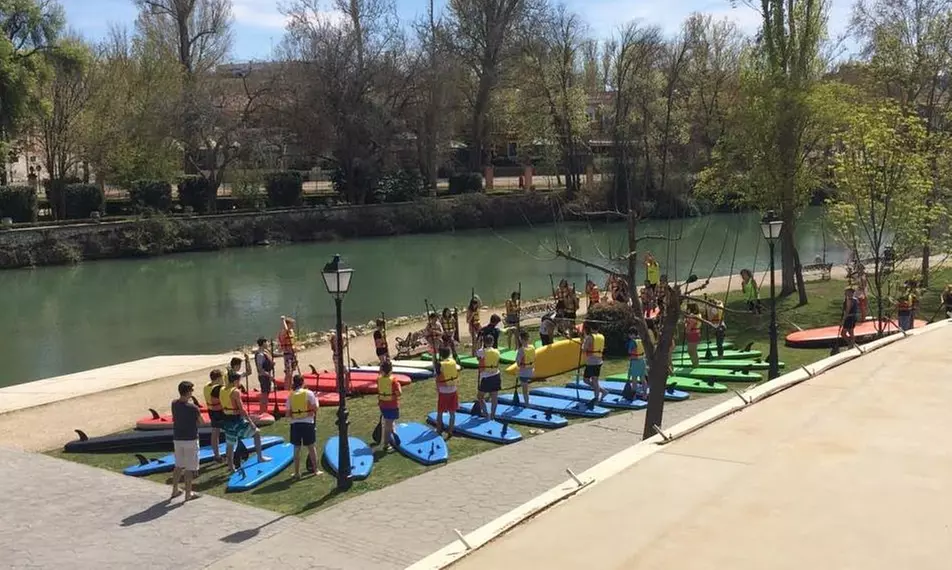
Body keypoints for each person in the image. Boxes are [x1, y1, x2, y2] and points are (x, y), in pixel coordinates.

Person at [221, 358, 271, 472]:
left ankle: (231, 467)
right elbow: (242, 409)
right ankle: (260, 457)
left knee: (230, 444)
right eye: (238, 381)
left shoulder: (222, 390)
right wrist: (252, 422)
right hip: (236, 420)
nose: (239, 383)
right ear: (235, 381)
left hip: (227, 420)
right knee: (256, 433)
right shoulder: (235, 391)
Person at [170, 380, 202, 501]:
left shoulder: (174, 403)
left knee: (178, 465)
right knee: (189, 467)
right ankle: (188, 494)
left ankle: (174, 490)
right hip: (191, 439)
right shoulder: (193, 408)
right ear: (188, 392)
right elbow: (201, 422)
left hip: (178, 438)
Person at [286, 374, 319, 480]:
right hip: (308, 423)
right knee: (311, 447)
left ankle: (296, 473)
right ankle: (316, 470)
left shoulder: (290, 396)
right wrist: (316, 399)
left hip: (295, 424)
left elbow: (287, 414)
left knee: (296, 448)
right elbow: (315, 408)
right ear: (302, 382)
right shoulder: (309, 393)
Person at [376, 360, 402, 452]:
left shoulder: (378, 379)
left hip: (383, 404)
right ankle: (386, 445)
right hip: (392, 405)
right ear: (391, 370)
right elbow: (399, 393)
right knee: (388, 425)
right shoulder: (394, 381)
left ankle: (393, 432)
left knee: (389, 421)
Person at [475, 333, 501, 420]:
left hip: (486, 378)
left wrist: (479, 343)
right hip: (496, 375)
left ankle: (486, 414)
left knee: (480, 396)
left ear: (484, 343)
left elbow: (477, 356)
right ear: (493, 342)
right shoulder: (497, 351)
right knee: (494, 397)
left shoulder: (481, 351)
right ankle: (493, 415)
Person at [434, 347, 458, 437]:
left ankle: (439, 430)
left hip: (443, 391)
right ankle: (450, 430)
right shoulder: (453, 362)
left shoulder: (440, 364)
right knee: (452, 412)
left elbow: (437, 375)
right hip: (453, 390)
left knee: (440, 411)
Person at [203, 368, 226, 463]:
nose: (223, 379)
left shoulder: (206, 386)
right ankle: (232, 454)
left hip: (211, 411)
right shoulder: (218, 389)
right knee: (230, 431)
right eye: (222, 377)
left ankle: (216, 455)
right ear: (218, 378)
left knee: (215, 433)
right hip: (220, 411)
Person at [581, 323, 608, 402]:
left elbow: (584, 349)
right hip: (599, 361)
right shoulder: (601, 336)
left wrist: (583, 343)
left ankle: (596, 397)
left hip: (592, 362)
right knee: (589, 380)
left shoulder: (589, 337)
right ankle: (602, 391)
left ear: (591, 329)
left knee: (591, 380)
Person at [253, 338, 274, 414]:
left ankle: (265, 410)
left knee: (267, 393)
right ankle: (262, 411)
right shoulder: (260, 355)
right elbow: (260, 368)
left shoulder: (265, 352)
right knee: (264, 394)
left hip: (267, 375)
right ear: (263, 343)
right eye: (266, 342)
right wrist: (269, 376)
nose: (268, 344)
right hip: (263, 376)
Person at [626, 329, 647, 401]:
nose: (629, 336)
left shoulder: (632, 342)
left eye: (630, 335)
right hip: (642, 361)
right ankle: (645, 395)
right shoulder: (641, 340)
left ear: (633, 334)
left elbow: (629, 351)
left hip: (635, 362)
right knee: (643, 379)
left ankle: (634, 396)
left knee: (634, 380)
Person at [516, 330, 535, 405]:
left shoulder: (521, 350)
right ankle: (527, 401)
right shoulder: (532, 347)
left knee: (525, 390)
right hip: (531, 371)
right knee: (527, 387)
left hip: (524, 372)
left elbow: (518, 363)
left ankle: (526, 403)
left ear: (521, 340)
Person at [278, 316, 298, 386]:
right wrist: (283, 320)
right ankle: (286, 387)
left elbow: (294, 342)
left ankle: (291, 385)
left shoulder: (292, 332)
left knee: (292, 371)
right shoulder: (283, 332)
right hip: (287, 355)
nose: (293, 326)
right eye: (291, 324)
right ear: (287, 324)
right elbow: (286, 329)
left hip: (293, 354)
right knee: (288, 372)